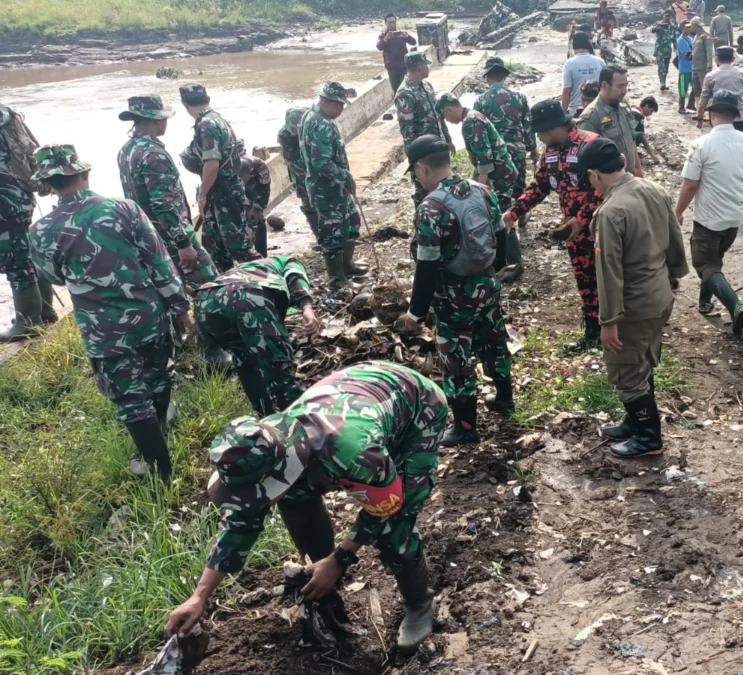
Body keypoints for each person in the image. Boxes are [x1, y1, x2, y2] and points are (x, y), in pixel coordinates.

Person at [164, 361, 448, 656]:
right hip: (357, 394)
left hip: (416, 407)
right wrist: (199, 596)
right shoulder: (267, 448)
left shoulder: (354, 453)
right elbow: (240, 522)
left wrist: (340, 558)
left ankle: (419, 605)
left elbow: (385, 506)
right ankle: (321, 576)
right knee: (294, 500)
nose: (258, 500)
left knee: (396, 524)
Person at [28, 145, 193, 481]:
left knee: (130, 400)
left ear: (47, 185)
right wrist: (181, 308)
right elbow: (159, 261)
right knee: (160, 377)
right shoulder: (124, 209)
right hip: (149, 316)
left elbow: (54, 277)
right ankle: (159, 427)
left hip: (103, 331)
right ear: (83, 174)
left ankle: (158, 469)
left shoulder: (40, 231)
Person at [397, 135, 512, 447]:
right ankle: (504, 399)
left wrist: (416, 312)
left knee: (456, 360)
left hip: (454, 297)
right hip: (488, 285)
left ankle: (464, 427)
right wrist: (495, 272)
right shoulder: (483, 190)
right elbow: (501, 236)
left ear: (421, 168)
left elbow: (428, 267)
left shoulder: (431, 208)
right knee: (494, 340)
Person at [576, 139, 688, 458]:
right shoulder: (652, 189)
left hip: (633, 304)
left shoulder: (610, 213)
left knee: (625, 370)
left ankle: (648, 437)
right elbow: (674, 236)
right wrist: (675, 274)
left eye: (590, 178)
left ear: (595, 174)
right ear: (623, 161)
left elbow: (609, 273)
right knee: (641, 361)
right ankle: (633, 422)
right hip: (659, 295)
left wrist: (608, 322)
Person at [503, 101, 604, 352]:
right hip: (575, 235)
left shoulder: (590, 145)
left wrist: (582, 219)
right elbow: (539, 187)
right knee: (586, 282)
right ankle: (593, 333)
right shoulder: (550, 153)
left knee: (610, 280)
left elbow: (606, 187)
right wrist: (513, 213)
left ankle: (619, 329)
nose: (538, 137)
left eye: (540, 132)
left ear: (552, 127)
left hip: (603, 229)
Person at [116, 95, 217, 294]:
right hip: (169, 234)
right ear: (156, 120)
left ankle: (183, 322)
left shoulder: (126, 150)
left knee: (170, 288)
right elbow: (163, 203)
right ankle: (213, 323)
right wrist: (183, 243)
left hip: (145, 234)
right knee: (210, 285)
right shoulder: (154, 154)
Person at [195, 255, 319, 415]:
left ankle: (264, 415)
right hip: (247, 296)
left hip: (205, 301)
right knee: (278, 367)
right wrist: (307, 307)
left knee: (244, 358)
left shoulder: (251, 266)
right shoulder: (288, 261)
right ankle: (302, 422)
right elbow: (295, 276)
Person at [676, 92, 743, 337]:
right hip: (733, 218)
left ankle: (734, 305)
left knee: (704, 264)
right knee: (714, 262)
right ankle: (705, 302)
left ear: (712, 115)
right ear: (734, 115)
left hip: (709, 221)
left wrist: (677, 211)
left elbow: (690, 185)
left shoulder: (701, 144)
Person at [180, 83, 255, 273]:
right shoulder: (215, 119)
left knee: (240, 248)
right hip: (221, 192)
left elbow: (212, 163)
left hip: (224, 193)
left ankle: (270, 284)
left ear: (185, 104)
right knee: (216, 247)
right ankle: (228, 288)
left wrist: (202, 196)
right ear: (208, 99)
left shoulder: (207, 125)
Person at [474, 56, 536, 281]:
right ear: (504, 76)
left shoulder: (481, 100)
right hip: (517, 152)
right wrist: (533, 149)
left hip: (496, 159)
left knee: (499, 200)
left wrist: (478, 167)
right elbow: (528, 127)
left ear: (489, 77)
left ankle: (509, 253)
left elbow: (478, 135)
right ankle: (520, 215)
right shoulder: (519, 97)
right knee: (519, 190)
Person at [0, 104, 57, 342]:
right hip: (19, 194)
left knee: (15, 258)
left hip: (4, 199)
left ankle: (28, 322)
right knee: (27, 250)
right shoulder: (7, 113)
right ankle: (43, 311)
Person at [302, 82, 364, 291]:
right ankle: (337, 279)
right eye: (341, 106)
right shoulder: (321, 125)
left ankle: (347, 266)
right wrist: (345, 177)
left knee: (351, 221)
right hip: (327, 189)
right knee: (333, 232)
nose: (341, 110)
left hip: (334, 188)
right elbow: (322, 164)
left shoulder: (312, 117)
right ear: (332, 103)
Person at [698, 45, 743, 198]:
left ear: (716, 59)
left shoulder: (710, 76)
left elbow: (704, 99)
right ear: (733, 59)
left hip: (719, 118)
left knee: (718, 151)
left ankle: (722, 186)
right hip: (740, 117)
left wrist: (699, 118)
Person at [435, 94, 520, 216]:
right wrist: (474, 175)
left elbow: (484, 155)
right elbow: (479, 153)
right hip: (502, 170)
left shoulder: (471, 121)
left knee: (500, 216)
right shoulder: (472, 115)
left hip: (499, 174)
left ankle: (507, 234)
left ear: (449, 110)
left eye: (445, 117)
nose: (447, 120)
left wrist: (481, 184)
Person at [396, 52, 455, 228]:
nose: (428, 67)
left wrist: (448, 138)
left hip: (437, 147)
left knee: (443, 184)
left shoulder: (427, 87)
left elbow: (438, 116)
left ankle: (444, 220)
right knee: (423, 190)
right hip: (422, 153)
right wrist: (416, 160)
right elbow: (408, 131)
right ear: (419, 67)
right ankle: (423, 227)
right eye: (426, 64)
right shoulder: (405, 94)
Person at [577, 65, 644, 179]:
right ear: (605, 85)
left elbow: (631, 140)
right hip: (610, 185)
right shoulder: (591, 116)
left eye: (626, 85)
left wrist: (638, 170)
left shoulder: (624, 106)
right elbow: (587, 160)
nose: (624, 91)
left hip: (630, 178)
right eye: (620, 86)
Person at [278, 106, 320, 240]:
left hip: (315, 171)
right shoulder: (286, 136)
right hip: (301, 174)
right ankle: (320, 237)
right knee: (309, 205)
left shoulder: (313, 124)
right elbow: (296, 163)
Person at [562, 32, 606, 117]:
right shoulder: (600, 61)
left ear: (573, 46)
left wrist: (563, 112)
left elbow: (567, 91)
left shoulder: (569, 64)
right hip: (599, 107)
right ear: (587, 44)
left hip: (577, 109)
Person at [239, 156, 272, 258]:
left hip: (256, 192)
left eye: (244, 177)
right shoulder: (230, 171)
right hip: (241, 195)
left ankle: (262, 255)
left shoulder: (260, 167)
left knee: (257, 220)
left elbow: (265, 189)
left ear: (250, 172)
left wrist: (257, 207)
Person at [378, 13, 418, 93]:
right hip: (391, 68)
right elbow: (379, 47)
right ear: (386, 23)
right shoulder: (383, 36)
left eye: (393, 22)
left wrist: (407, 36)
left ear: (396, 22)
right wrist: (386, 39)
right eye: (389, 22)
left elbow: (414, 42)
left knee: (403, 89)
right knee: (396, 90)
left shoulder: (401, 34)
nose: (392, 24)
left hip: (404, 66)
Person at [688, 22, 715, 115]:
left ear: (696, 25)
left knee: (706, 90)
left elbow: (709, 52)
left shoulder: (706, 37)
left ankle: (708, 113)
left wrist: (709, 66)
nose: (690, 28)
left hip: (703, 68)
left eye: (691, 25)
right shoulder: (696, 37)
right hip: (695, 67)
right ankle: (699, 112)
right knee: (696, 90)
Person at [651, 11, 681, 92]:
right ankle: (662, 83)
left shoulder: (672, 26)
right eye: (666, 16)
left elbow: (674, 37)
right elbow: (652, 30)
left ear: (671, 17)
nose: (667, 17)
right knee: (661, 67)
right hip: (660, 49)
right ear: (663, 16)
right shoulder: (659, 24)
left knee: (666, 66)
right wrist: (656, 28)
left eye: (669, 16)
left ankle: (664, 82)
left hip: (668, 49)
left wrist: (675, 47)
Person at [632, 96, 661, 164]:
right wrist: (652, 155)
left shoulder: (632, 109)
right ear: (646, 106)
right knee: (641, 135)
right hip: (624, 140)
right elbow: (641, 136)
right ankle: (653, 157)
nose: (651, 114)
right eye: (651, 111)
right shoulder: (638, 116)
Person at [676, 24, 695, 114]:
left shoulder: (690, 39)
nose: (689, 29)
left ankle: (691, 104)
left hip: (692, 67)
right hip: (684, 68)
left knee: (695, 87)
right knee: (683, 89)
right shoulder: (680, 40)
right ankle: (681, 107)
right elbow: (687, 55)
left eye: (690, 27)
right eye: (687, 27)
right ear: (682, 28)